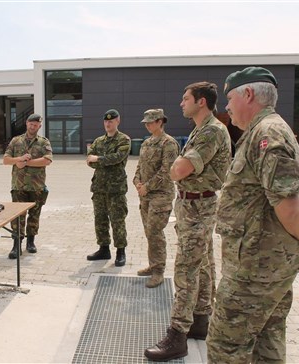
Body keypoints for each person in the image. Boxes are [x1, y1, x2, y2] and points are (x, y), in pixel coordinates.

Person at [205, 67, 299, 363]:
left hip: (255, 269)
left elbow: (289, 202)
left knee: (226, 345)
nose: (226, 107)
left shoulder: (267, 133)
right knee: (268, 338)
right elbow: (296, 194)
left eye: (229, 99)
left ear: (248, 94)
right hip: (264, 264)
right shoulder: (269, 130)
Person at [144, 82, 231, 361]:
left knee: (185, 271)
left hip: (199, 207)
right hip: (192, 204)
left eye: (186, 98)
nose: (181, 103)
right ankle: (200, 322)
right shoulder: (200, 129)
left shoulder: (211, 131)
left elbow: (178, 169)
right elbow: (180, 169)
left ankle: (177, 335)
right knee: (203, 266)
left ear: (201, 101)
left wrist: (177, 166)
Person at [133, 109, 179, 288]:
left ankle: (158, 271)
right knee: (148, 231)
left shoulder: (169, 143)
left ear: (160, 122)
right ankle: (153, 265)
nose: (147, 125)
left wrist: (147, 186)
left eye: (150, 122)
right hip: (145, 195)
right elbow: (140, 166)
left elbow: (167, 171)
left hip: (161, 195)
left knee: (155, 232)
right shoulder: (146, 143)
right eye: (146, 122)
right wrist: (137, 182)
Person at [3, 113, 52, 259]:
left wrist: (27, 163)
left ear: (39, 126)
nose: (33, 126)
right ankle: (16, 245)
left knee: (34, 216)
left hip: (36, 187)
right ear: (26, 123)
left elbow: (48, 160)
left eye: (36, 125)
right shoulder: (16, 141)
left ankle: (31, 242)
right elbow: (6, 160)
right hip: (19, 186)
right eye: (31, 124)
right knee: (17, 217)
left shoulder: (43, 142)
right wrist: (18, 160)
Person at [86, 109, 131, 267]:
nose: (108, 124)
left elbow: (118, 158)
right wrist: (99, 160)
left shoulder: (123, 140)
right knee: (100, 220)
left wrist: (98, 158)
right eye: (106, 121)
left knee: (118, 220)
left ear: (118, 121)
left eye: (111, 121)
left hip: (116, 188)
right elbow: (89, 161)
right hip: (99, 187)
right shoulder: (99, 141)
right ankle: (103, 249)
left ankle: (120, 251)